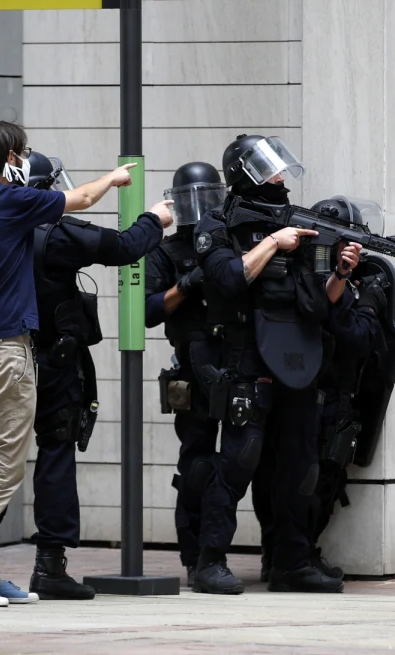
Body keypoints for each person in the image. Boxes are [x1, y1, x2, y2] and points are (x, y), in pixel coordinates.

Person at [0, 120, 135, 608]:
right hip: (5, 352)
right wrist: (116, 178)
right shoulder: (10, 201)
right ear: (8, 160)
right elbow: (80, 200)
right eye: (22, 153)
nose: (26, 160)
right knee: (2, 469)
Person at [191, 134, 358, 594]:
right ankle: (209, 562)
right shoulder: (218, 224)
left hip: (299, 359)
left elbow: (318, 303)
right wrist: (272, 243)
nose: (280, 176)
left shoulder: (295, 224)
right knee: (239, 461)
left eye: (280, 168)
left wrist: (341, 272)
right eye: (269, 169)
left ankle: (290, 562)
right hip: (247, 358)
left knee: (300, 466)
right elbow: (227, 278)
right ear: (245, 173)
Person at [26, 152, 174, 600]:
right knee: (55, 452)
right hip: (52, 361)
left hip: (1, 355)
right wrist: (154, 218)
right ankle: (50, 564)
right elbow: (125, 247)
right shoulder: (54, 231)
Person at [253, 196, 388, 583]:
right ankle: (294, 557)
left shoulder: (301, 273)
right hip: (321, 397)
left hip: (303, 391)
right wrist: (369, 305)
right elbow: (356, 337)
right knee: (310, 479)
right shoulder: (324, 282)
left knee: (279, 474)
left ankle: (279, 554)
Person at [144, 162, 227, 586]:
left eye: (209, 196)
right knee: (196, 463)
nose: (202, 207)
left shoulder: (228, 242)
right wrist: (188, 283)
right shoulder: (165, 251)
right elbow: (147, 310)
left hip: (235, 361)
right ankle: (195, 558)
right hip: (191, 368)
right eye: (193, 198)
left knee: (239, 461)